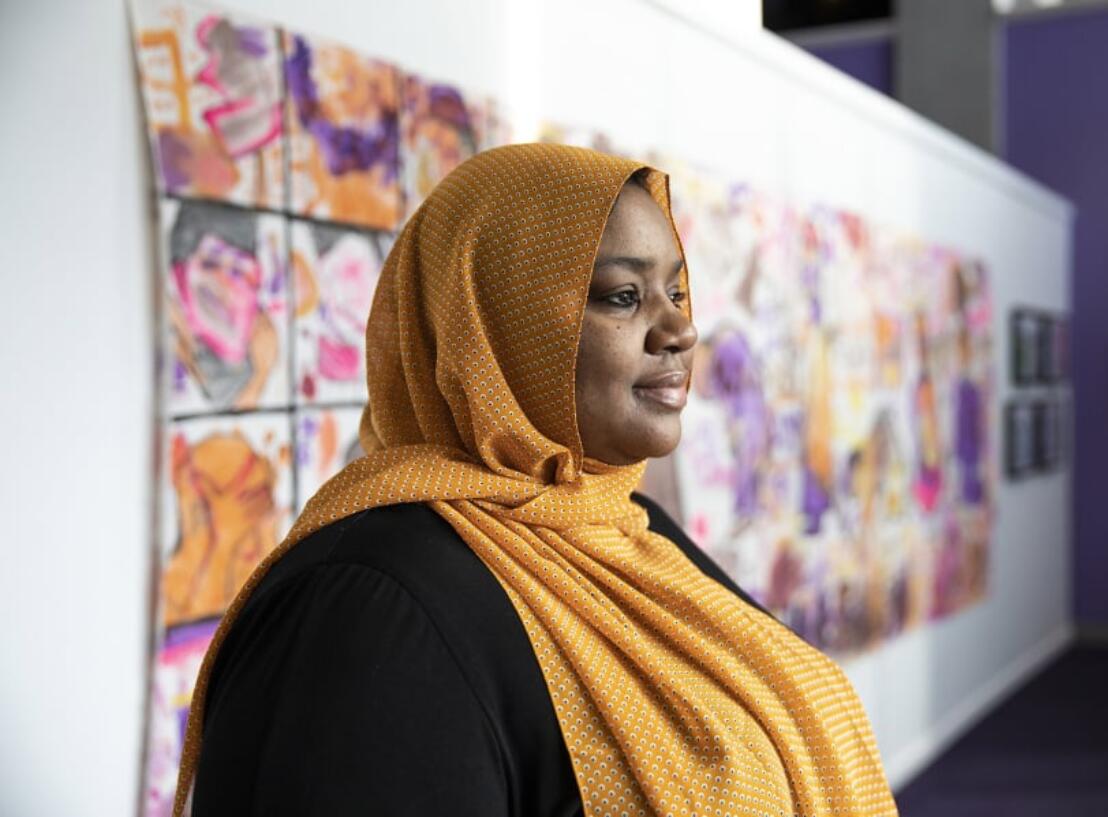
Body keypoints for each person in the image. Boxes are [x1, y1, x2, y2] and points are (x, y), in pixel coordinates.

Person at [173, 143, 898, 816]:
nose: (678, 329)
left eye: (676, 291)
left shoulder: (626, 525)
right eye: (622, 295)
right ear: (490, 326)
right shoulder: (363, 609)